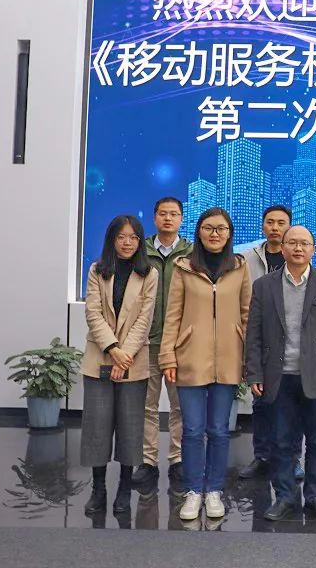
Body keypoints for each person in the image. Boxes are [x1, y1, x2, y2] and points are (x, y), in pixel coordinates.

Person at [244, 226, 316, 521]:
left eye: (304, 243)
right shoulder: (264, 285)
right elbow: (253, 333)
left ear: (313, 249)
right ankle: (285, 496)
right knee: (281, 441)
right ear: (283, 247)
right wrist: (254, 374)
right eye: (292, 243)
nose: (298, 248)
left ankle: (314, 497)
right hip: (278, 375)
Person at [160, 208, 251, 521]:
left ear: (229, 234)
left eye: (221, 228)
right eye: (209, 228)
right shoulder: (183, 267)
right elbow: (172, 315)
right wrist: (168, 355)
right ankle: (193, 490)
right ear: (199, 232)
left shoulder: (239, 267)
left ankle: (214, 490)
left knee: (220, 430)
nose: (215, 234)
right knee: (192, 429)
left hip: (229, 358)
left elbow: (247, 314)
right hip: (190, 358)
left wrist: (247, 358)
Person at [82, 215, 159, 515]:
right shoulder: (97, 270)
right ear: (112, 239)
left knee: (130, 428)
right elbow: (93, 313)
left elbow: (144, 319)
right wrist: (113, 350)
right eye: (121, 237)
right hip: (100, 357)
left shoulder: (149, 273)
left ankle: (125, 489)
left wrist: (124, 354)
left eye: (133, 237)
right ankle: (98, 489)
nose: (127, 243)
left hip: (133, 359)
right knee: (97, 428)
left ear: (140, 242)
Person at [134, 197, 193, 487]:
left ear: (182, 218)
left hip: (180, 343)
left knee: (180, 405)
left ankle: (177, 459)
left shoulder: (192, 253)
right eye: (163, 213)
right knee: (147, 405)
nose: (168, 218)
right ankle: (147, 461)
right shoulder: (140, 251)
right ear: (154, 217)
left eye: (174, 214)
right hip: (146, 341)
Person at [238, 205, 294, 481]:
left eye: (281, 223)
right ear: (263, 226)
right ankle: (261, 457)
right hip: (259, 337)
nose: (275, 227)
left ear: (289, 227)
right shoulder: (246, 258)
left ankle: (291, 459)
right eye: (270, 222)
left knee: (291, 405)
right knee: (261, 403)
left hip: (292, 341)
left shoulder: (297, 256)